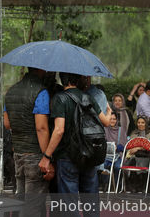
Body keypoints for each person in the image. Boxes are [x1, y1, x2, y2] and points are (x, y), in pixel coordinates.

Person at [38, 72, 112, 217]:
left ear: (62, 80)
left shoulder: (60, 98)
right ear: (78, 80)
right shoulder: (88, 96)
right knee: (90, 200)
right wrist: (109, 111)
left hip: (67, 156)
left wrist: (47, 156)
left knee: (69, 203)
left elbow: (59, 130)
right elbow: (106, 122)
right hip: (89, 154)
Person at [4, 67, 51, 217]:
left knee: (21, 199)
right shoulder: (40, 92)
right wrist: (47, 156)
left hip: (18, 152)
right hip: (35, 153)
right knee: (33, 204)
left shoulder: (11, 91)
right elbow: (41, 128)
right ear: (41, 71)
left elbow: (7, 124)